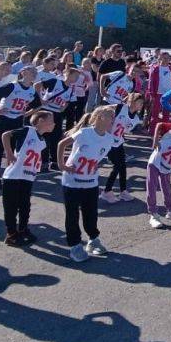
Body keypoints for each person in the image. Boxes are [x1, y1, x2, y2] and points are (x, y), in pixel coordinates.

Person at [58, 106, 115, 263]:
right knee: (72, 214)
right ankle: (75, 245)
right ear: (99, 117)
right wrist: (62, 165)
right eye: (109, 115)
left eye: (113, 116)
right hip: (72, 182)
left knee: (91, 213)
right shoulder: (84, 133)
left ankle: (93, 239)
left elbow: (96, 157)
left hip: (91, 182)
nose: (112, 119)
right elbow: (62, 144)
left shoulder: (109, 139)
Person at [0, 110, 52, 246]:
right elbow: (6, 135)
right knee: (11, 206)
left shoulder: (43, 141)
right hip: (13, 175)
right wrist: (9, 153)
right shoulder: (27, 131)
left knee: (25, 205)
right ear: (40, 121)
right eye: (50, 121)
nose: (53, 124)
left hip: (28, 176)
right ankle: (11, 233)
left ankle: (23, 229)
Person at [0, 66, 39, 189]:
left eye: (35, 72)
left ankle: (11, 176)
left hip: (17, 121)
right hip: (4, 120)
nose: (34, 74)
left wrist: (26, 113)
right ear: (23, 73)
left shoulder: (32, 91)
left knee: (15, 150)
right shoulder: (13, 86)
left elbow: (38, 105)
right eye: (31, 72)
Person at [101, 93, 144, 204]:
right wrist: (107, 124)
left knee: (122, 166)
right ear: (132, 101)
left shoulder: (135, 119)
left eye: (142, 103)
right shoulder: (120, 107)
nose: (141, 105)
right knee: (117, 166)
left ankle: (123, 191)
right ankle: (106, 191)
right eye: (139, 102)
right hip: (108, 140)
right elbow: (104, 109)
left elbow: (125, 130)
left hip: (118, 142)